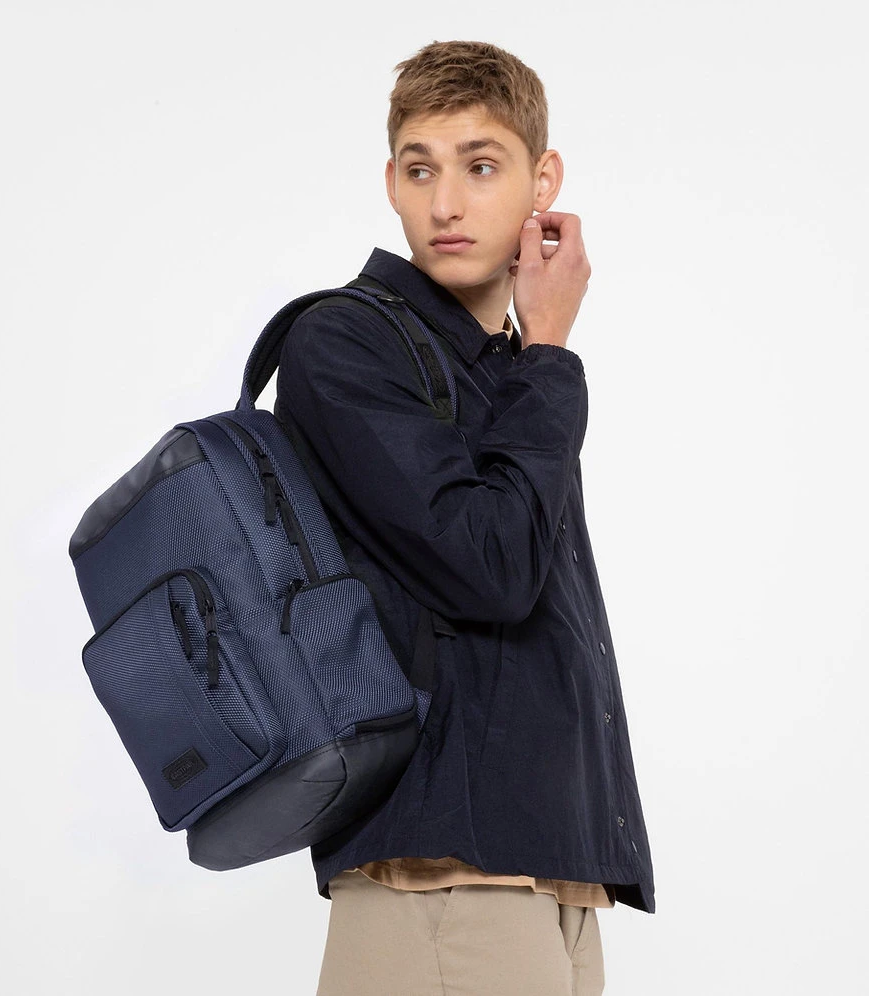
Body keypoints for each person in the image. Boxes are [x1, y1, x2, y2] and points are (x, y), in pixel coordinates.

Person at [273, 38, 655, 996]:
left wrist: (535, 358)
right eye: (420, 170)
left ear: (542, 182)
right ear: (391, 185)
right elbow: (491, 568)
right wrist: (552, 348)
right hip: (442, 883)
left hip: (545, 872)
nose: (445, 203)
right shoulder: (345, 342)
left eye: (481, 167)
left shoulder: (501, 371)